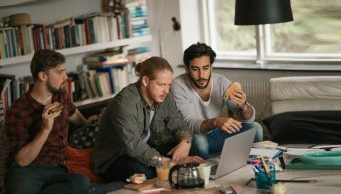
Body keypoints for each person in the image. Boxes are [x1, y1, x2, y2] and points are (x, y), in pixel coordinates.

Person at [92, 56, 204, 182]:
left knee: (194, 148)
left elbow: (178, 123)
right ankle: (170, 172)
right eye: (161, 85)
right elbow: (133, 146)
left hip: (148, 149)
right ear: (145, 81)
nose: (166, 91)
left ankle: (172, 173)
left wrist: (186, 142)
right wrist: (168, 163)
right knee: (144, 173)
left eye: (169, 85)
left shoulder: (164, 96)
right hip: (117, 157)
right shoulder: (125, 103)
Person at [5, 49, 91, 194]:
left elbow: (73, 113)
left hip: (56, 169)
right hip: (28, 170)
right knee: (19, 190)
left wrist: (89, 124)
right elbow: (22, 161)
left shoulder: (61, 97)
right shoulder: (18, 111)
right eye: (60, 72)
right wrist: (45, 130)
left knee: (81, 182)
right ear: (43, 76)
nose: (66, 77)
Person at [171, 42, 263, 159]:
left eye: (205, 68)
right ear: (187, 69)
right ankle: (209, 171)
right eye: (195, 69)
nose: (201, 75)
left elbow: (249, 118)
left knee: (255, 128)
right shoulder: (178, 86)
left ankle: (240, 164)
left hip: (215, 134)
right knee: (200, 142)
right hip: (191, 137)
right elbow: (190, 123)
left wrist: (244, 106)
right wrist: (215, 122)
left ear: (211, 67)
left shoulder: (222, 83)